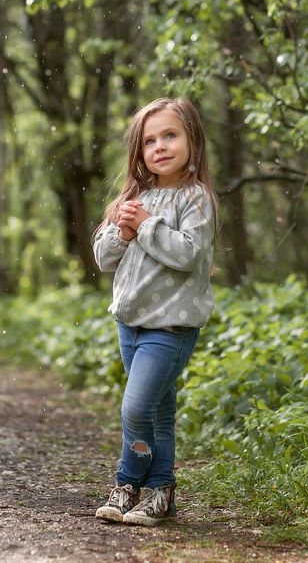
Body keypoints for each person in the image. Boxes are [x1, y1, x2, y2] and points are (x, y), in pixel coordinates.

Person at [91, 97, 218, 526]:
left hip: (170, 327)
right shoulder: (136, 196)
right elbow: (103, 258)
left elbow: (188, 254)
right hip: (131, 325)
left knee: (135, 408)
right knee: (159, 411)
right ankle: (161, 492)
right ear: (139, 151)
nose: (160, 146)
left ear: (192, 141)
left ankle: (127, 482)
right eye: (150, 140)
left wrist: (145, 224)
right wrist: (123, 231)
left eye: (170, 135)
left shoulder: (196, 198)